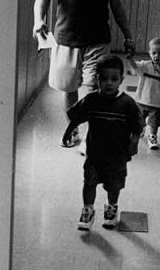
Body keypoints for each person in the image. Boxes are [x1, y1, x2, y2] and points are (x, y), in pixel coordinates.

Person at [33, 0, 136, 148]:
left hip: (97, 40)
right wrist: (38, 20)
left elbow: (117, 7)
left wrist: (128, 35)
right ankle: (73, 129)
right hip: (66, 39)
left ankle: (93, 137)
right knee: (68, 87)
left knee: (94, 88)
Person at [61, 55, 144, 230]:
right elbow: (77, 117)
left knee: (113, 186)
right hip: (94, 154)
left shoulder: (127, 104)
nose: (109, 83)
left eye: (114, 79)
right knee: (89, 183)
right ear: (96, 78)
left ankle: (111, 208)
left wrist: (134, 142)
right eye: (103, 78)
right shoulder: (91, 100)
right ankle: (88, 210)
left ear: (121, 80)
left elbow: (137, 126)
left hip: (117, 155)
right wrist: (68, 131)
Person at [132, 37, 160, 150]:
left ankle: (152, 136)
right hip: (141, 100)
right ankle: (140, 129)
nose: (156, 56)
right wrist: (129, 58)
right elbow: (134, 66)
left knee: (154, 122)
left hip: (157, 103)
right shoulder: (145, 65)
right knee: (138, 119)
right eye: (154, 53)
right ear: (149, 53)